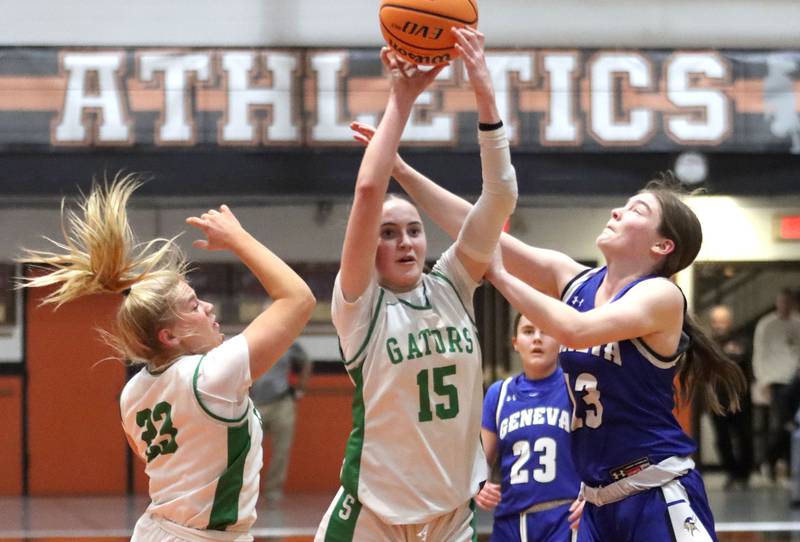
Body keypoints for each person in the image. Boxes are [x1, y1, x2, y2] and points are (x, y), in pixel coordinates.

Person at [376, 156, 746, 538]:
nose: (617, 211)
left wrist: (500, 277)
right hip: (598, 498)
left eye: (637, 209)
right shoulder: (574, 280)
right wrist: (401, 171)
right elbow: (480, 230)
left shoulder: (661, 295)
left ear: (662, 244)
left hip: (654, 491)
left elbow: (576, 330)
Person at [19, 177, 315, 542]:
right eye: (193, 305)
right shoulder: (211, 375)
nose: (208, 307)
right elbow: (298, 299)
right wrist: (238, 239)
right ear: (169, 336)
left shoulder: (134, 391)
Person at [315, 28, 518, 541]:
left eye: (413, 230)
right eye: (388, 234)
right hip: (373, 516)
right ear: (370, 247)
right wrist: (400, 99)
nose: (405, 242)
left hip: (452, 514)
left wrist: (483, 90)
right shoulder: (359, 306)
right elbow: (367, 190)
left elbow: (498, 197)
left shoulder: (452, 284)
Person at [476, 313, 583, 541]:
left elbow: (601, 448)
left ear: (560, 341)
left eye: (545, 331)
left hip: (564, 516)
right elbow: (480, 460)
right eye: (528, 331)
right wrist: (478, 485)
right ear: (515, 343)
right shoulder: (499, 393)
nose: (537, 338)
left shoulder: (574, 388)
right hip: (510, 522)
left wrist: (593, 496)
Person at [250, 340, 312, 504]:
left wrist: (301, 388)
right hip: (255, 403)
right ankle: (246, 492)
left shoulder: (290, 344)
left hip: (282, 402)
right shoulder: (252, 339)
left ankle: (273, 492)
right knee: (248, 450)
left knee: (281, 450)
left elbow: (306, 362)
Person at [752, 288, 800, 482]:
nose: (785, 306)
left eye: (789, 302)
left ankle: (788, 465)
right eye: (782, 302)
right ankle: (769, 461)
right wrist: (762, 380)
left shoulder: (798, 323)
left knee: (793, 426)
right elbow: (759, 353)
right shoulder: (766, 324)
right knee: (780, 425)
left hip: (795, 379)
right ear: (777, 303)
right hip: (775, 380)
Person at [707, 304, 753, 489]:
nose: (718, 325)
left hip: (740, 397)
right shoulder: (707, 343)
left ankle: (745, 474)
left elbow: (742, 360)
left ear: (729, 322)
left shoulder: (741, 339)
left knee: (744, 436)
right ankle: (731, 472)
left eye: (722, 321)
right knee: (722, 438)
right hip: (717, 398)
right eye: (715, 322)